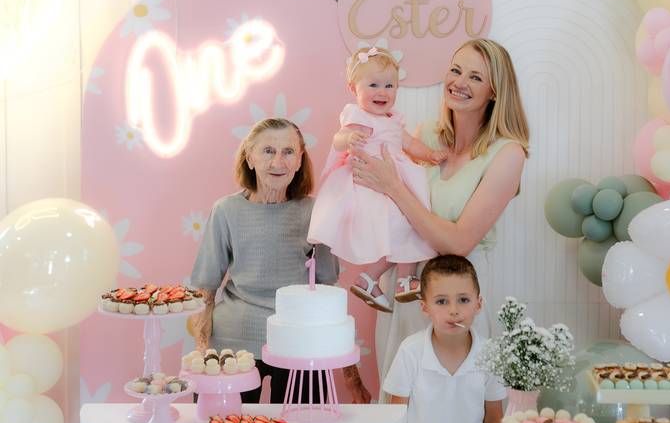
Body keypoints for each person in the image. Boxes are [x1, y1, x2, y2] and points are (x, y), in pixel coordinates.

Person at [347, 38, 529, 389]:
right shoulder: (426, 136)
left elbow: (458, 243)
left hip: (457, 296)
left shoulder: (508, 154)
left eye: (476, 77)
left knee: (456, 401)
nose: (460, 82)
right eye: (456, 70)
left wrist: (392, 186)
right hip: (407, 291)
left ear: (494, 91)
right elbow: (393, 213)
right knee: (401, 400)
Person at [189, 117, 370, 404]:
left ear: (299, 160)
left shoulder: (316, 211)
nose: (278, 162)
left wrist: (351, 375)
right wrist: (202, 354)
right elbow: (205, 291)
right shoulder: (226, 210)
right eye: (268, 151)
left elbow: (328, 295)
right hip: (235, 342)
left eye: (288, 152)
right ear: (250, 157)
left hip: (299, 342)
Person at [308, 46, 446, 314]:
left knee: (413, 225)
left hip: (395, 180)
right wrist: (348, 139)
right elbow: (338, 139)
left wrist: (429, 154)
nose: (382, 92)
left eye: (389, 85)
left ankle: (386, 280)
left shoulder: (394, 120)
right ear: (353, 88)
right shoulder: (357, 116)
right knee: (403, 226)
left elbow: (409, 143)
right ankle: (384, 279)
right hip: (372, 183)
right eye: (373, 85)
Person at [383, 255, 505, 423]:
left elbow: (493, 421)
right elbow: (397, 421)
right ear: (425, 307)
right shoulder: (410, 351)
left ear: (478, 304)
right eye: (441, 301)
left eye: (463, 300)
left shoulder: (490, 353)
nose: (453, 310)